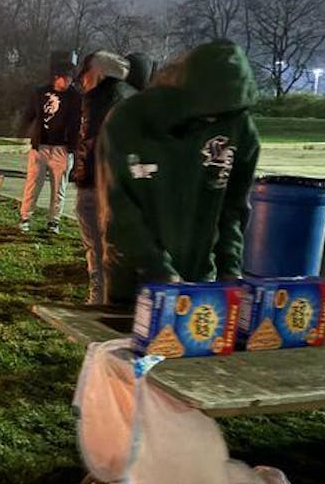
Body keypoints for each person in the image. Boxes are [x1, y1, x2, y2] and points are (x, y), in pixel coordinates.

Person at [99, 40, 260, 304]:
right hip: (135, 280)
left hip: (200, 279)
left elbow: (233, 209)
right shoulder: (129, 119)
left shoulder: (239, 126)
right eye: (206, 114)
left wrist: (230, 268)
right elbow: (120, 208)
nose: (212, 121)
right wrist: (159, 272)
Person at [70, 50, 135, 304]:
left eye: (84, 74)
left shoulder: (103, 100)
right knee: (107, 247)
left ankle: (100, 300)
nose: (81, 80)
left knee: (97, 247)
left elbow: (93, 143)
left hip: (98, 186)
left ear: (97, 73)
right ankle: (108, 297)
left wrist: (84, 175)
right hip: (113, 185)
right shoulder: (128, 97)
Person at [19, 52, 81, 234]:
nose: (69, 82)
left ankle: (54, 221)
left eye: (71, 79)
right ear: (57, 78)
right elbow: (29, 115)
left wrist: (73, 148)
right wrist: (24, 136)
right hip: (41, 147)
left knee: (59, 188)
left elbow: (77, 123)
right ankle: (25, 217)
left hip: (62, 148)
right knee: (33, 183)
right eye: (66, 78)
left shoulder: (75, 97)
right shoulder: (40, 93)